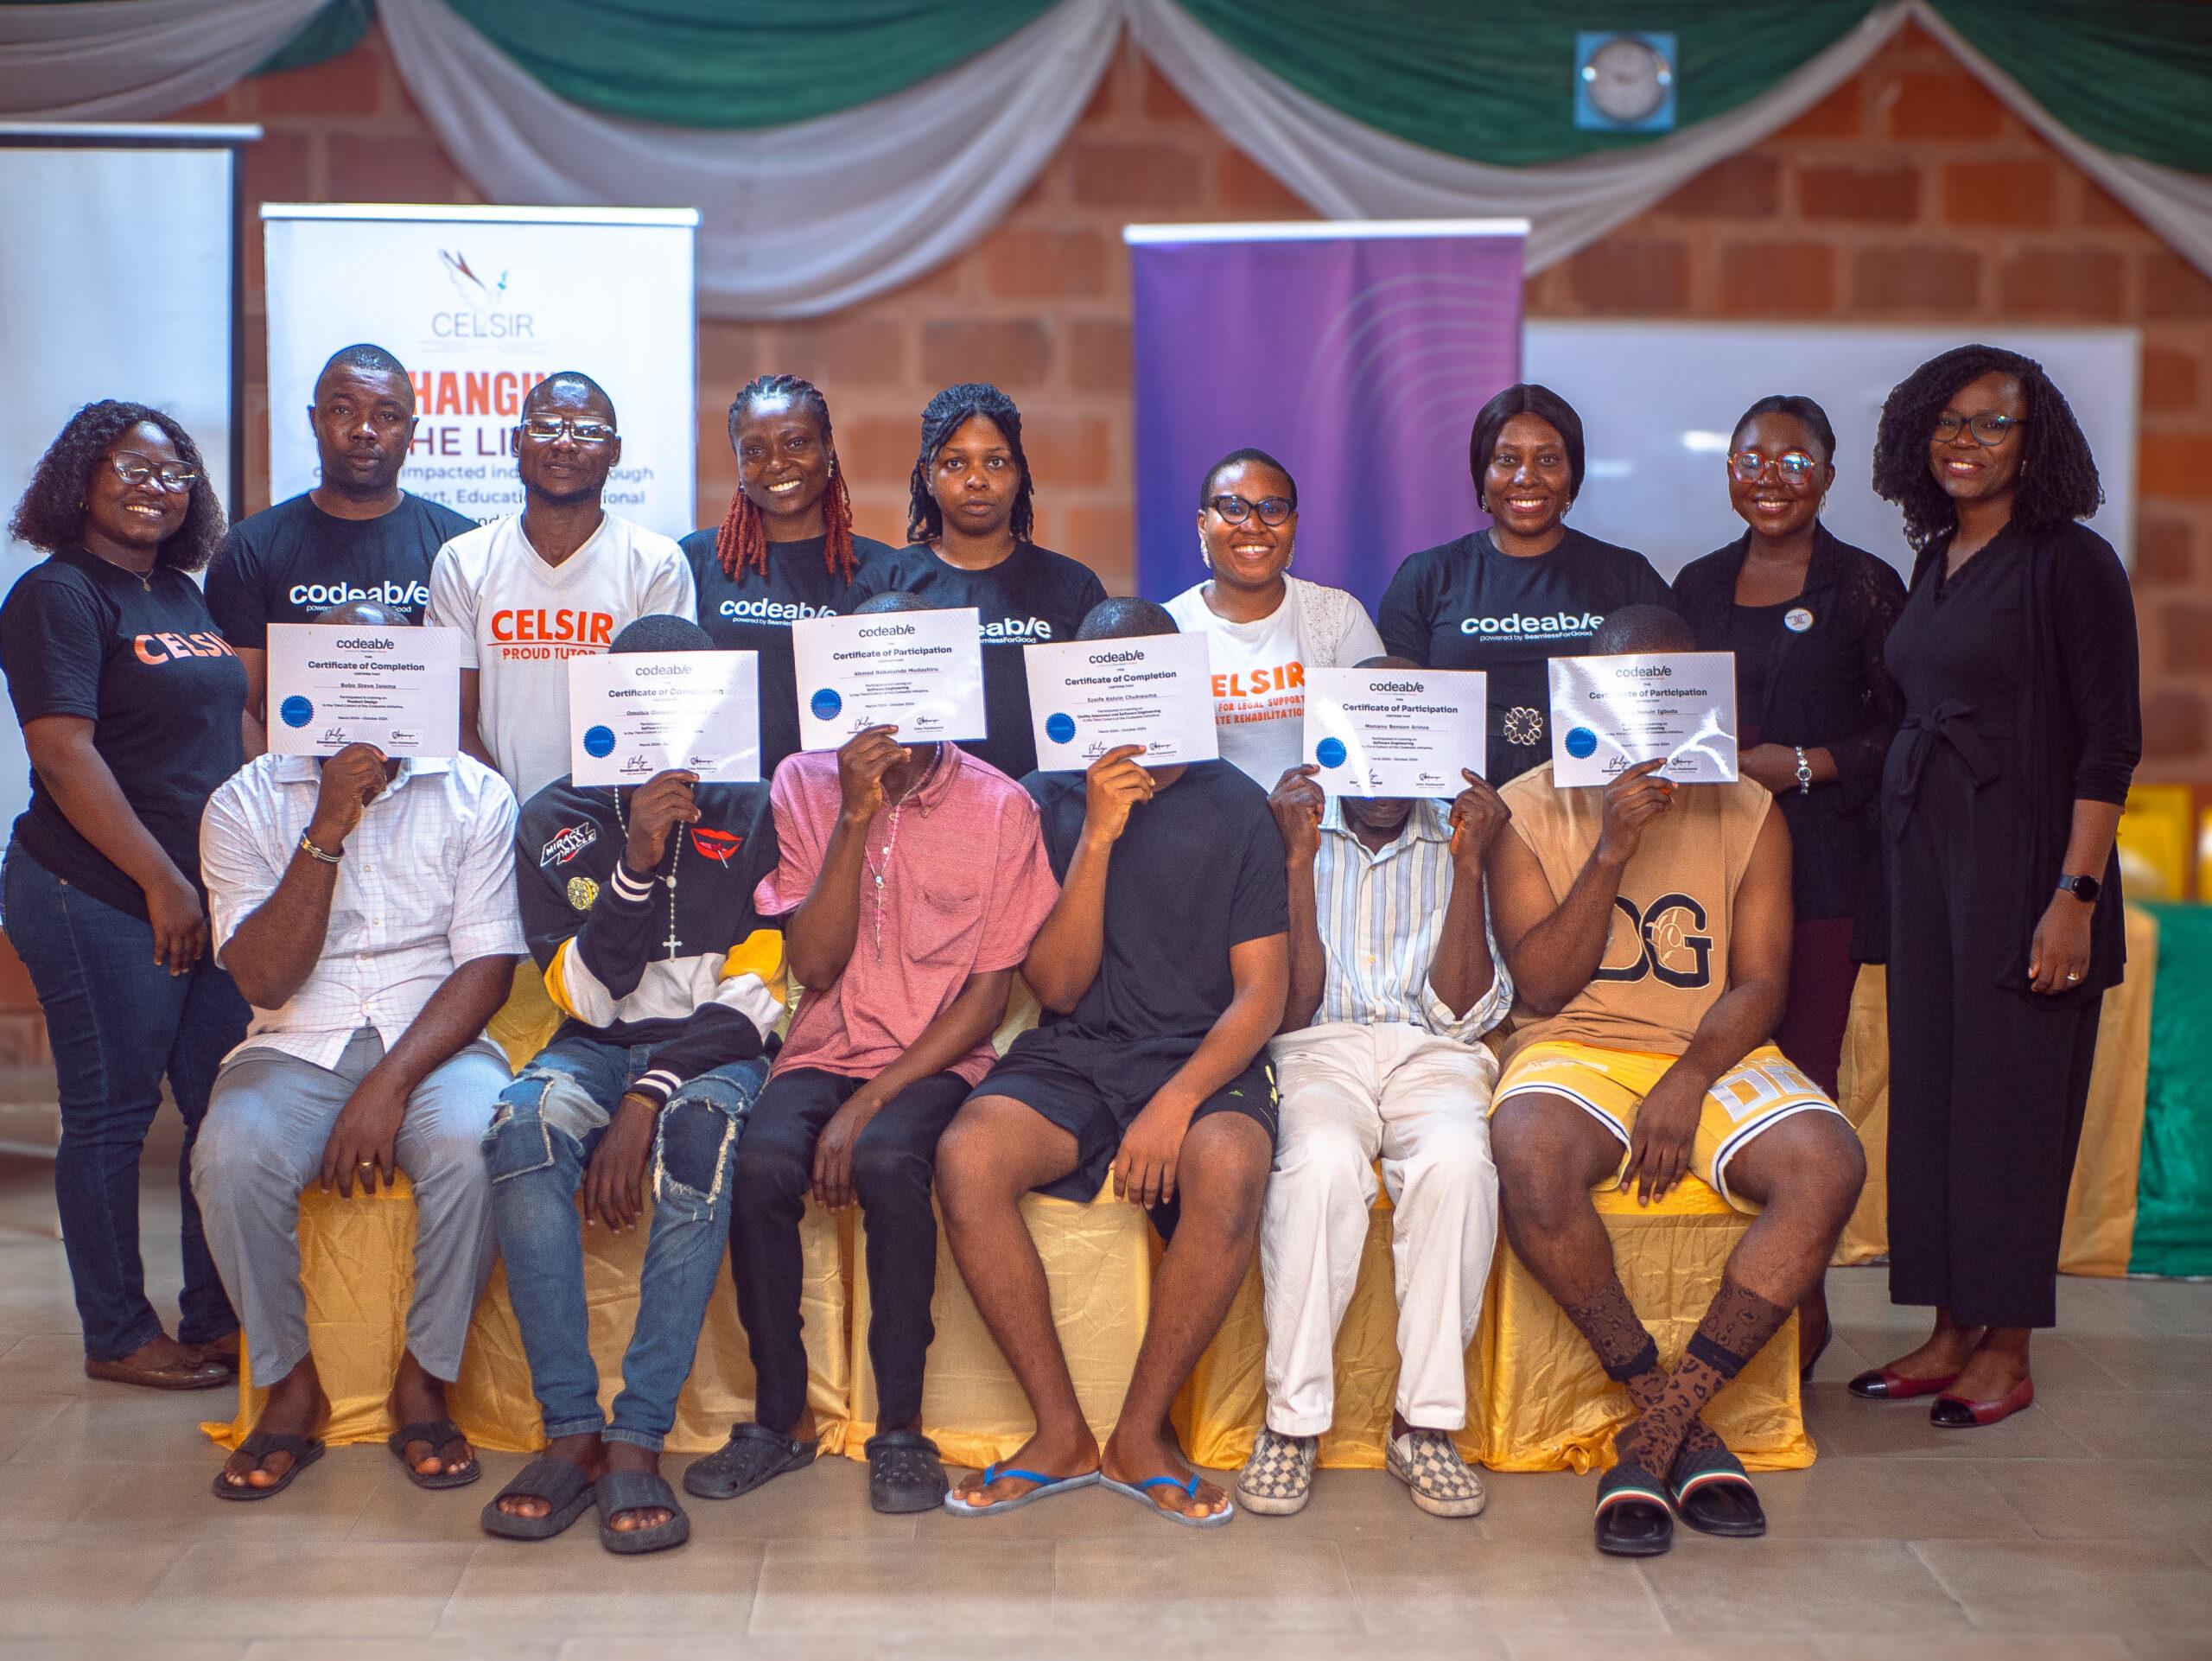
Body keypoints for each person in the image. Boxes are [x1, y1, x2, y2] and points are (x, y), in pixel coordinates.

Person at [1485, 605, 1866, 1558]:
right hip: (1577, 1040)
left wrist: (1693, 1073)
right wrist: (1611, 845)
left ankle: (1655, 1431)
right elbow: (1537, 982)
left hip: (1709, 1045)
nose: (1649, 720)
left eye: (1671, 691)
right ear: (1589, 693)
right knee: (1527, 1150)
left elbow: (1762, 981)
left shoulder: (1745, 802)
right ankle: (1673, 1419)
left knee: (1827, 1162)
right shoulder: (1528, 801)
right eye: (1628, 695)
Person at [684, 592, 1060, 1516]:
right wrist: (854, 815)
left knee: (895, 1160)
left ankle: (899, 1427)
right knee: (763, 1159)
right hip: (823, 1041)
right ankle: (782, 1416)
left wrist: (873, 1099)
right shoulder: (803, 782)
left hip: (937, 1057)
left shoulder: (1002, 804)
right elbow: (810, 962)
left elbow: (987, 996)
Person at [934, 596, 1288, 1528]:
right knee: (967, 1154)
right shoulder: (1045, 800)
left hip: (1196, 1055)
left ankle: (1139, 1433)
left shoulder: (1237, 805)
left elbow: (1263, 993)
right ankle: (1059, 1432)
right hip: (1079, 1049)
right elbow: (1053, 986)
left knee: (1231, 1163)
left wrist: (1176, 1100)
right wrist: (1095, 833)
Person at [1849, 346, 2139, 1429]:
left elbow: (2112, 742)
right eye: (1946, 423)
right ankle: (1948, 1324)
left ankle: (2006, 1343)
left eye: (1991, 424)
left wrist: (2075, 892)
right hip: (1929, 860)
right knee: (1935, 1097)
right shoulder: (1933, 557)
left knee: (2012, 1107)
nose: (1964, 441)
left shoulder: (2071, 562)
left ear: (2037, 441)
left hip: (2026, 865)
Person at [193, 599, 523, 1499]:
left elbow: (487, 966)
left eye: (387, 660)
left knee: (471, 1140)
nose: (366, 682)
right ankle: (292, 1386)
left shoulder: (476, 790)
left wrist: (387, 1083)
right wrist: (326, 827)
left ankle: (426, 1376)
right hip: (294, 1039)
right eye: (342, 663)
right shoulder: (244, 798)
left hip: (436, 1037)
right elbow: (262, 978)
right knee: (227, 1153)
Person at [483, 614, 784, 1555]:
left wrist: (649, 1092)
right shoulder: (552, 818)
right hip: (593, 1042)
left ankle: (636, 1435)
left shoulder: (758, 803)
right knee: (521, 1127)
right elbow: (581, 989)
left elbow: (761, 995)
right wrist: (636, 860)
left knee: (699, 1137)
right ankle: (570, 1424)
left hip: (708, 1054)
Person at [0, 400, 251, 1391]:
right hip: (95, 891)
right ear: (81, 481)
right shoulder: (57, 596)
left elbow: (214, 741)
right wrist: (160, 882)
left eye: (171, 473)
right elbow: (63, 754)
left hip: (198, 895)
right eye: (129, 469)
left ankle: (213, 1313)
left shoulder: (182, 598)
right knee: (108, 1112)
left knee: (218, 1102)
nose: (153, 487)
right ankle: (115, 1330)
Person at [1238, 662, 1510, 1520]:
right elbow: (1295, 1001)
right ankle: (1292, 1421)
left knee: (1460, 1167)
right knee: (1317, 1166)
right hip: (1320, 1045)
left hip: (1436, 1048)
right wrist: (1294, 858)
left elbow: (1463, 1008)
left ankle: (1423, 1424)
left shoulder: (1464, 834)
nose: (1386, 781)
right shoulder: (1292, 827)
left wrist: (1470, 867)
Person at [1670, 396, 1906, 1109]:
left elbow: (1904, 730)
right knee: (1708, 1064)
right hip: (1708, 859)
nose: (1770, 478)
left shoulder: (1866, 585)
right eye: (1752, 461)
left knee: (1804, 1073)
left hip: (1824, 866)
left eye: (1795, 461)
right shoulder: (1696, 585)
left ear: (1828, 476)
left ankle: (1805, 1211)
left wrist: (1803, 764)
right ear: (1729, 471)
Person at [1378, 384, 1669, 785]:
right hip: (1458, 812)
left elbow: (1667, 706)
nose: (1526, 477)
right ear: (1482, 475)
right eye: (1507, 459)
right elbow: (1395, 722)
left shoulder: (1628, 575)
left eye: (1548, 460)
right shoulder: (1426, 576)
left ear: (1573, 475)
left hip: (1597, 810)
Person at [426, 371, 694, 803]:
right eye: (546, 426)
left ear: (615, 451)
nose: (565, 443)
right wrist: (510, 819)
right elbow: (453, 718)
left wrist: (587, 825)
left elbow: (658, 724)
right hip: (492, 823)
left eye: (588, 431)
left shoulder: (655, 563)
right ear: (516, 442)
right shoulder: (463, 561)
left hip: (615, 820)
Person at [206, 342, 472, 756]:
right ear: (314, 420)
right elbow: (237, 708)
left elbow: (466, 710)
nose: (364, 430)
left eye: (387, 416)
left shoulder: (457, 547)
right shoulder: (252, 546)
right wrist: (281, 800)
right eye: (343, 410)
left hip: (428, 795)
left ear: (411, 431)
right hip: (295, 794)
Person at [852, 384, 1107, 780]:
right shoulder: (887, 583)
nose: (976, 479)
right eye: (955, 463)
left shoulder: (1073, 586)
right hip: (913, 815)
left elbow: (1100, 719)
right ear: (928, 475)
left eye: (996, 462)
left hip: (1046, 815)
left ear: (1019, 473)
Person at [685, 375, 896, 775]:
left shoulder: (882, 570)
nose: (776, 463)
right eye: (754, 450)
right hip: (723, 806)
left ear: (828, 448)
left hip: (839, 807)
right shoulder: (697, 560)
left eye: (795, 443)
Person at [1164, 448, 1385, 787]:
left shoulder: (1338, 616)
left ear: (1292, 525)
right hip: (1205, 836)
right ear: (1203, 524)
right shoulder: (1169, 628)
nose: (1253, 526)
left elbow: (1380, 747)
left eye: (1272, 510)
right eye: (1233, 508)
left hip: (1323, 834)